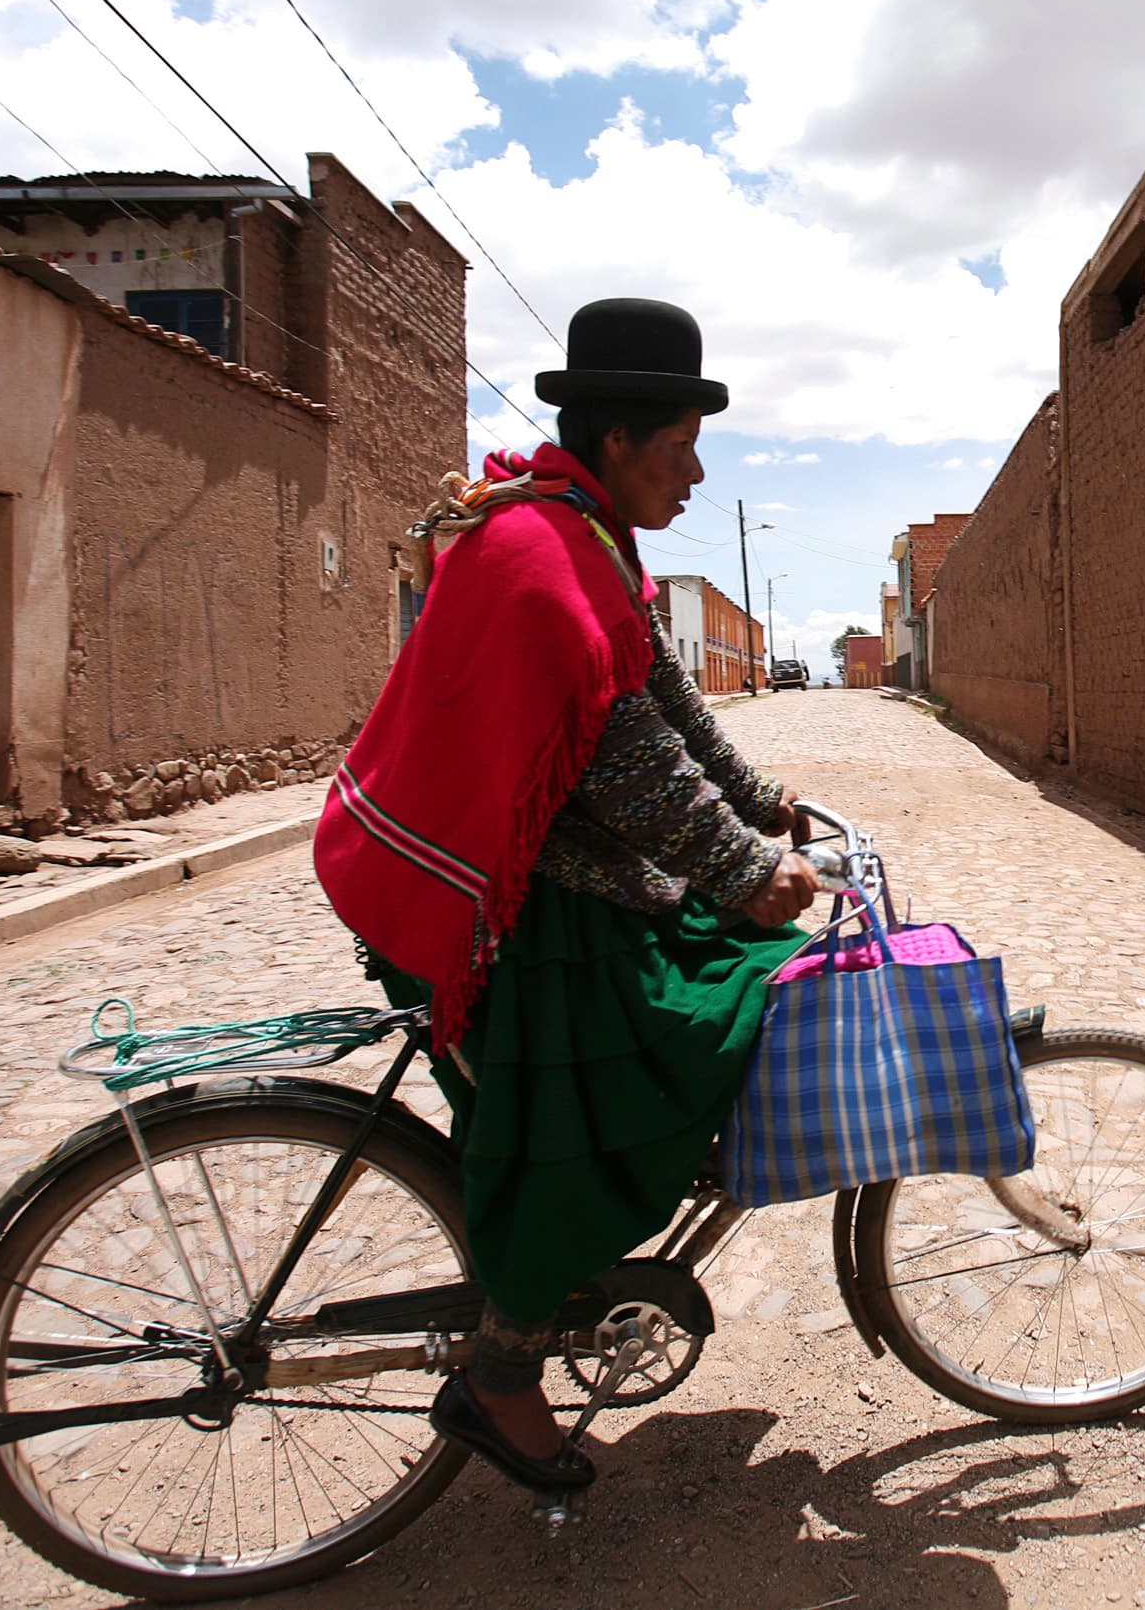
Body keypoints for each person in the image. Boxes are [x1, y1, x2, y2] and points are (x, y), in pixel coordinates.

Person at [313, 298, 820, 1493]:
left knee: (699, 988)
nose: (694, 473)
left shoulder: (592, 540)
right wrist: (747, 873)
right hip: (485, 910)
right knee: (603, 1113)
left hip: (539, 879)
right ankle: (498, 1375)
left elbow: (661, 704)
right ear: (615, 441)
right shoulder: (540, 558)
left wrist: (764, 805)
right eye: (681, 446)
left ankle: (543, 1309)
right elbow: (620, 760)